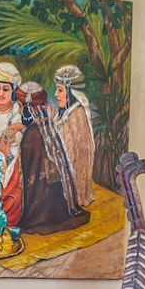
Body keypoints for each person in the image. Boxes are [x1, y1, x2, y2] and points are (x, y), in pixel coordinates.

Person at [0, 81, 90, 235]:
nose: (19, 110)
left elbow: (16, 182)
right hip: (56, 208)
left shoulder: (31, 136)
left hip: (29, 209)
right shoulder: (50, 129)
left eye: (20, 106)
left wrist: (7, 155)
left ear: (27, 109)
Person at [53, 65, 95, 207]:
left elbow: (80, 156)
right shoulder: (66, 113)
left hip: (71, 182)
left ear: (71, 93)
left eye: (60, 90)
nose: (56, 94)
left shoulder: (77, 115)